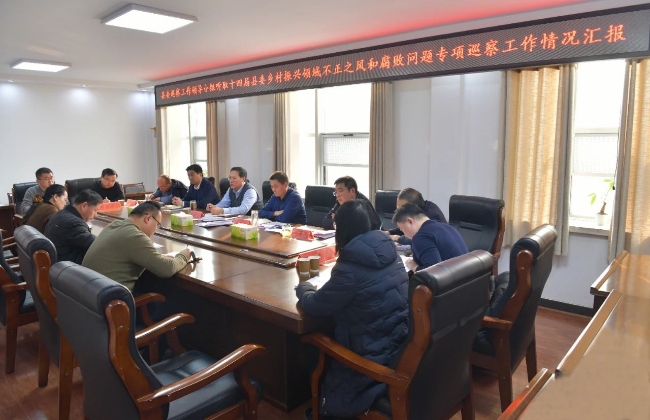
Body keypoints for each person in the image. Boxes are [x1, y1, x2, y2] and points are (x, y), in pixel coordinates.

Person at [296, 200, 408, 418]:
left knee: (310, 341)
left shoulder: (350, 266)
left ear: (344, 229)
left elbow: (315, 305)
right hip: (397, 348)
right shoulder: (390, 252)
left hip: (369, 363)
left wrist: (304, 286)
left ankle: (321, 407)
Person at [83, 201, 192, 291]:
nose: (156, 229)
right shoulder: (135, 235)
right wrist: (184, 255)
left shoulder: (114, 225)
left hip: (90, 293)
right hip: (114, 300)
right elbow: (166, 269)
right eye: (157, 224)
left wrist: (159, 258)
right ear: (148, 218)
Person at [393, 203, 468, 272]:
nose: (405, 234)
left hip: (452, 280)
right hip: (466, 276)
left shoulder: (420, 237)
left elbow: (432, 272)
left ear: (410, 221)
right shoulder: (446, 227)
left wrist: (413, 266)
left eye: (403, 230)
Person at [44, 189, 103, 264]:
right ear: (84, 206)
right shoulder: (74, 224)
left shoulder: (61, 213)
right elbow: (96, 245)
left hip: (58, 262)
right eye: (95, 210)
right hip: (66, 266)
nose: (96, 215)